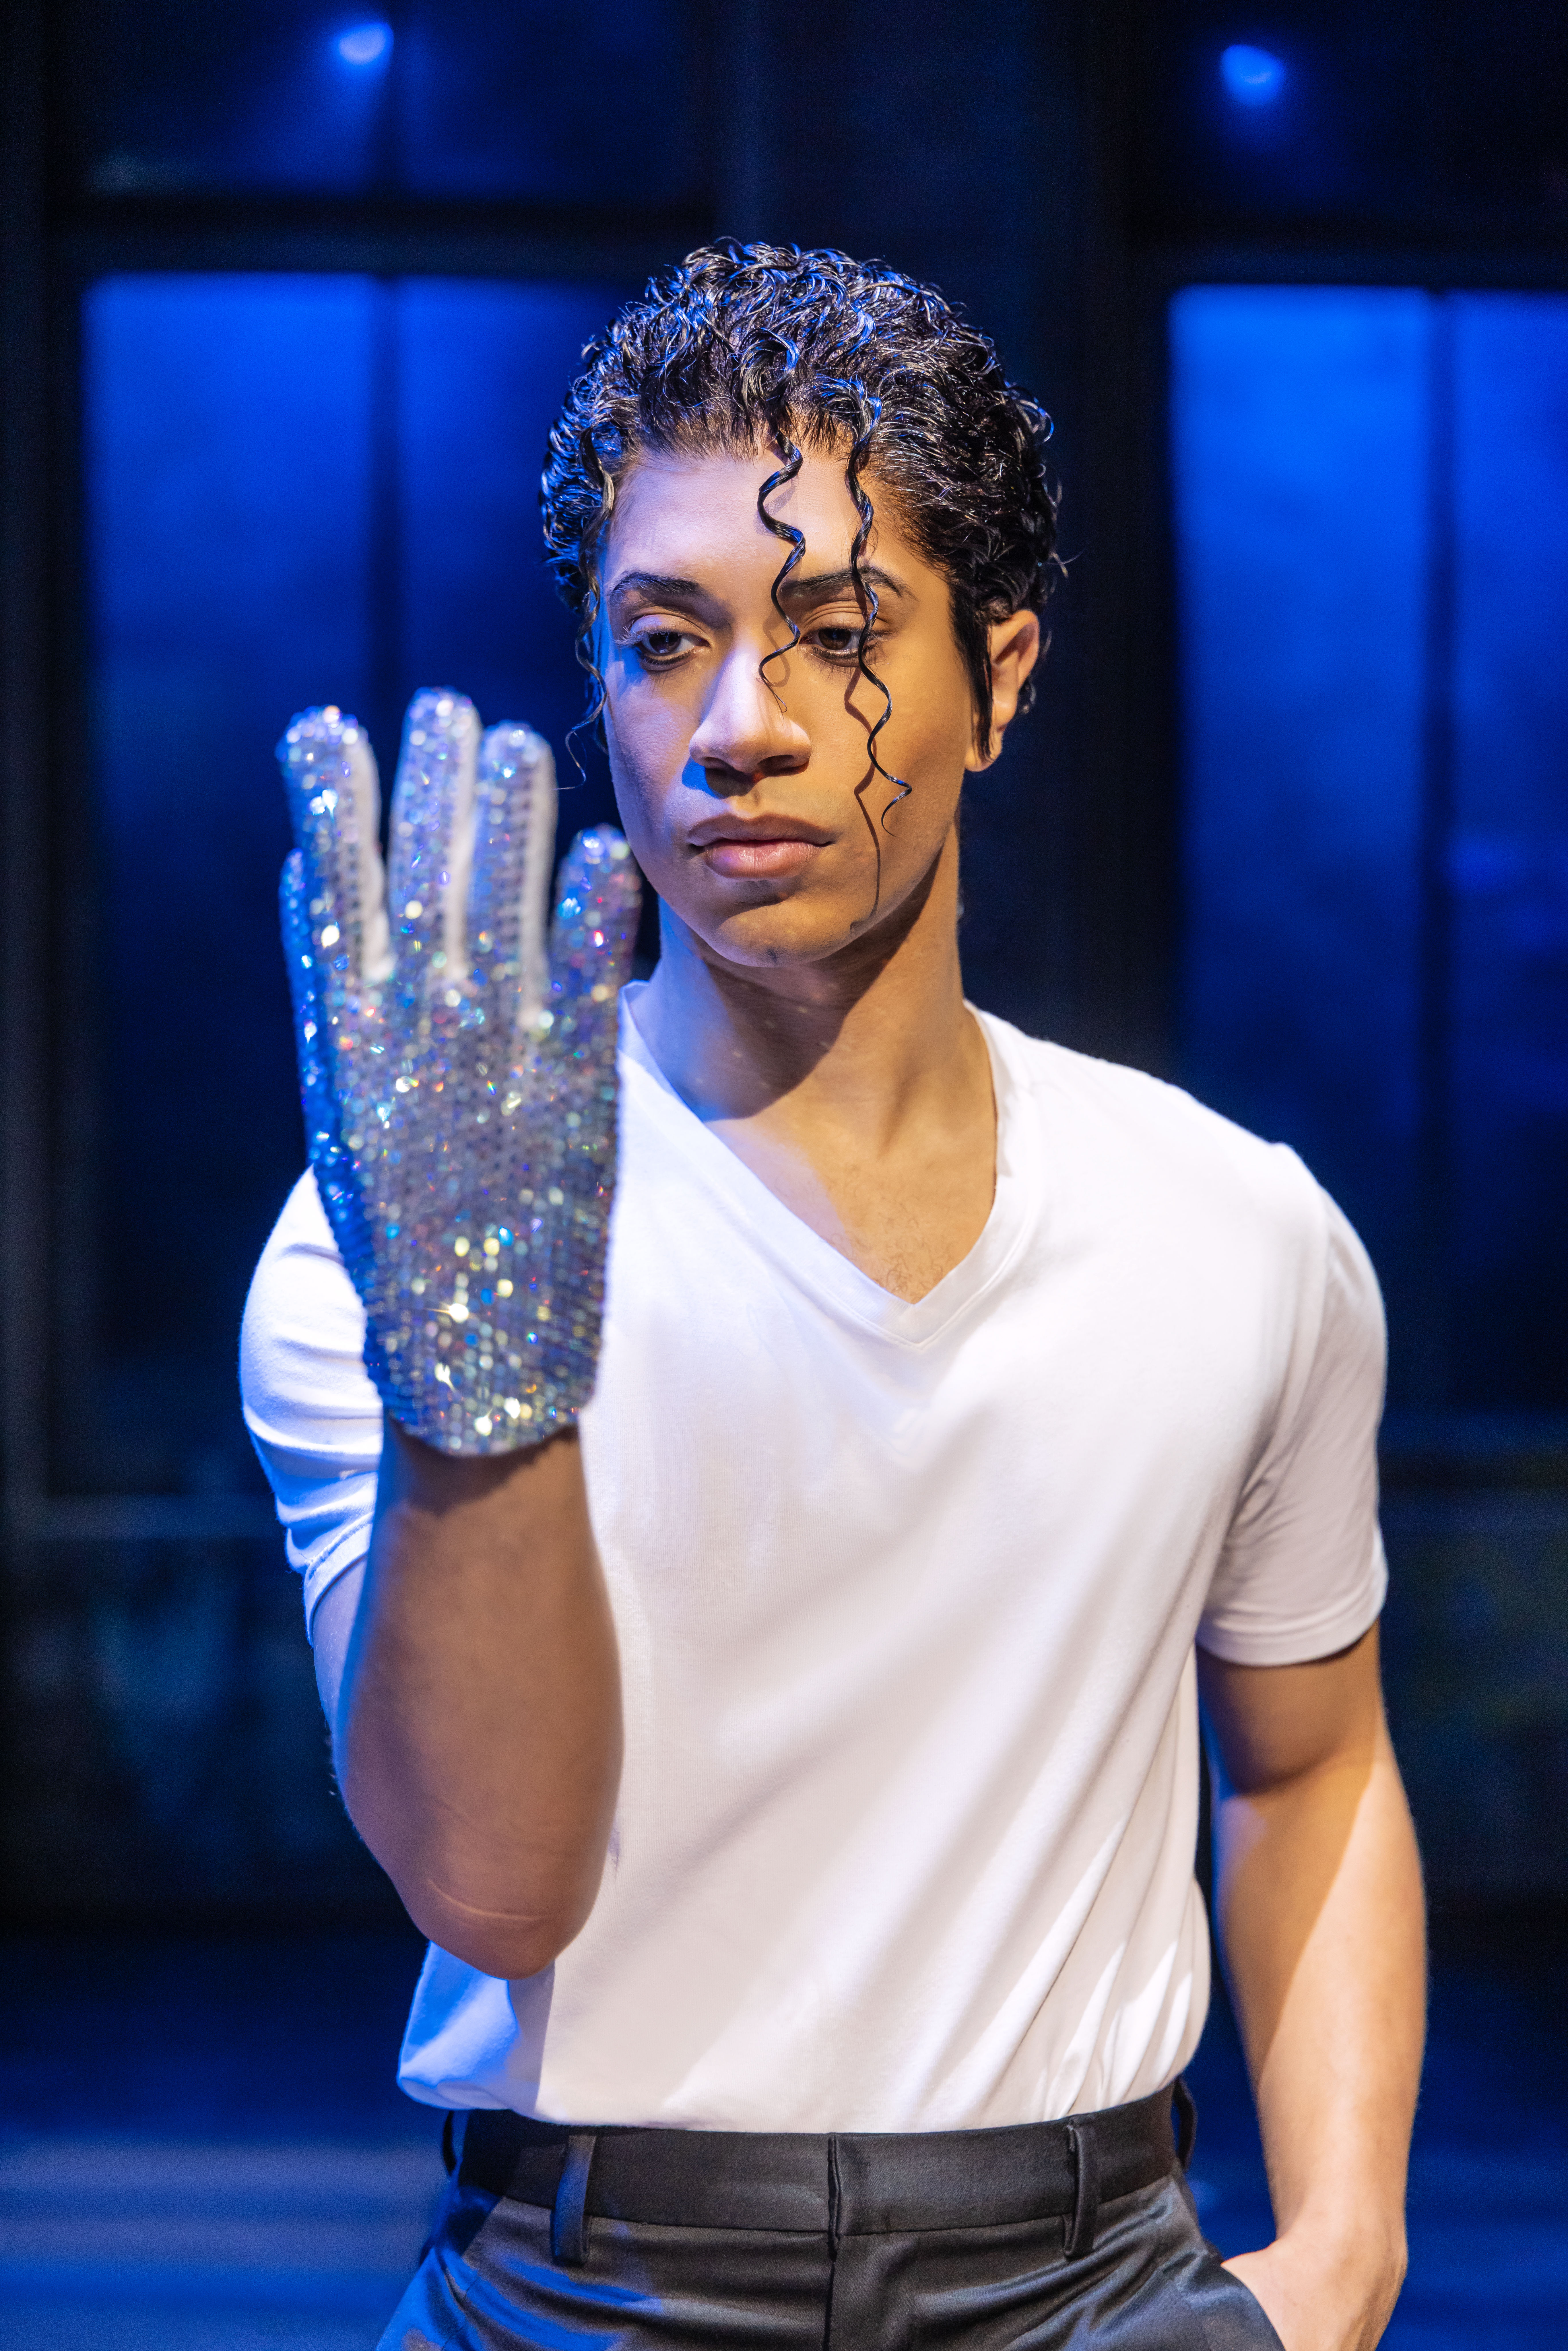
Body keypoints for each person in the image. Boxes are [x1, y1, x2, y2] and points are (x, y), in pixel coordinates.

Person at [241, 242, 1425, 2351]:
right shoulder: (388, 1236)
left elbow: (1311, 1764)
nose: (737, 730)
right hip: (582, 2289)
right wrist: (479, 1386)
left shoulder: (1229, 1227)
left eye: (836, 628)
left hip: (1099, 2276)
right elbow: (495, 1888)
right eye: (662, 639)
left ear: (1003, 673)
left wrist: (1337, 2257)